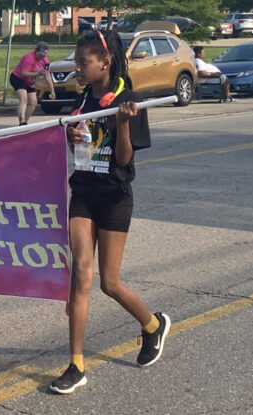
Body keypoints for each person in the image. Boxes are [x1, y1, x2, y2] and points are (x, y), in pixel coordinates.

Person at [50, 30, 170, 394]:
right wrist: (71, 137)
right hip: (84, 193)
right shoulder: (84, 99)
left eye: (83, 62)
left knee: (110, 283)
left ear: (104, 61)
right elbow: (79, 148)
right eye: (77, 62)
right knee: (81, 275)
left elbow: (123, 159)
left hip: (115, 195)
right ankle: (76, 364)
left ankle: (152, 325)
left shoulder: (129, 101)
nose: (78, 67)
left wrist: (121, 124)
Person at [10, 42, 56, 125]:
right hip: (18, 78)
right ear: (36, 51)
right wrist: (38, 73)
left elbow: (47, 76)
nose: (41, 58)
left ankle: (25, 123)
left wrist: (52, 90)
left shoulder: (45, 61)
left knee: (33, 102)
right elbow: (24, 73)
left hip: (29, 81)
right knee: (24, 98)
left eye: (43, 56)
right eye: (40, 55)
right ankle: (21, 121)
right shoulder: (29, 58)